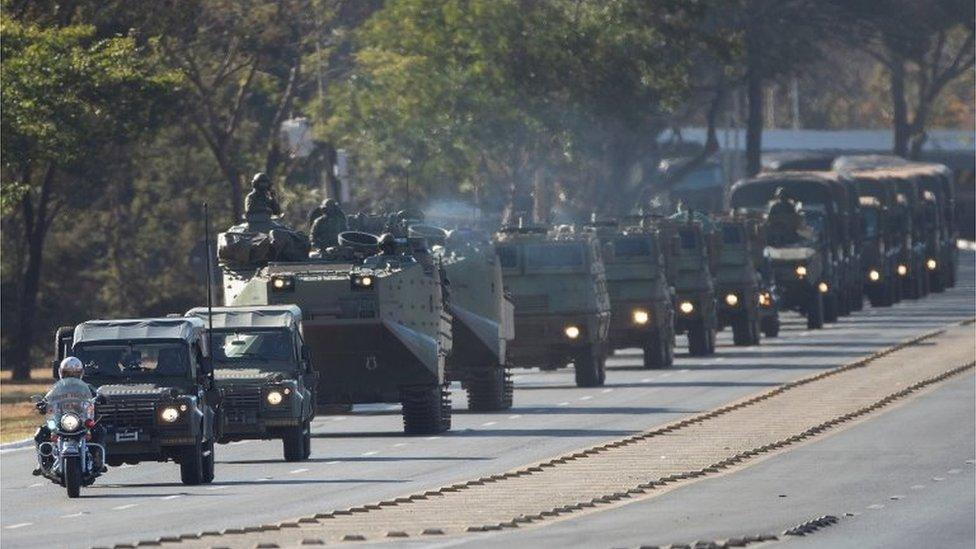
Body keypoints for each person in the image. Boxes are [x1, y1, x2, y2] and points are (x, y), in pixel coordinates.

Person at [33, 357, 107, 475]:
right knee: (40, 432)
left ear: (80, 374)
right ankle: (43, 462)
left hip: (82, 420)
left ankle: (97, 459)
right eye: (68, 373)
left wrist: (99, 398)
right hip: (60, 420)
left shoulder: (87, 386)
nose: (71, 376)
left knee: (99, 430)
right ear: (62, 373)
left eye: (75, 374)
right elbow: (47, 398)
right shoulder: (57, 387)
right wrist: (42, 404)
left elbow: (97, 394)